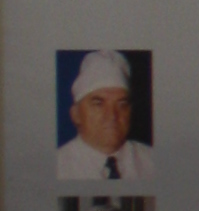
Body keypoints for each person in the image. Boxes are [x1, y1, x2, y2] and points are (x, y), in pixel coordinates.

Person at [55, 49, 154, 185]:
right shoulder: (57, 168)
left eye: (122, 104)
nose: (112, 115)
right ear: (76, 114)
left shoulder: (152, 161)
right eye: (98, 104)